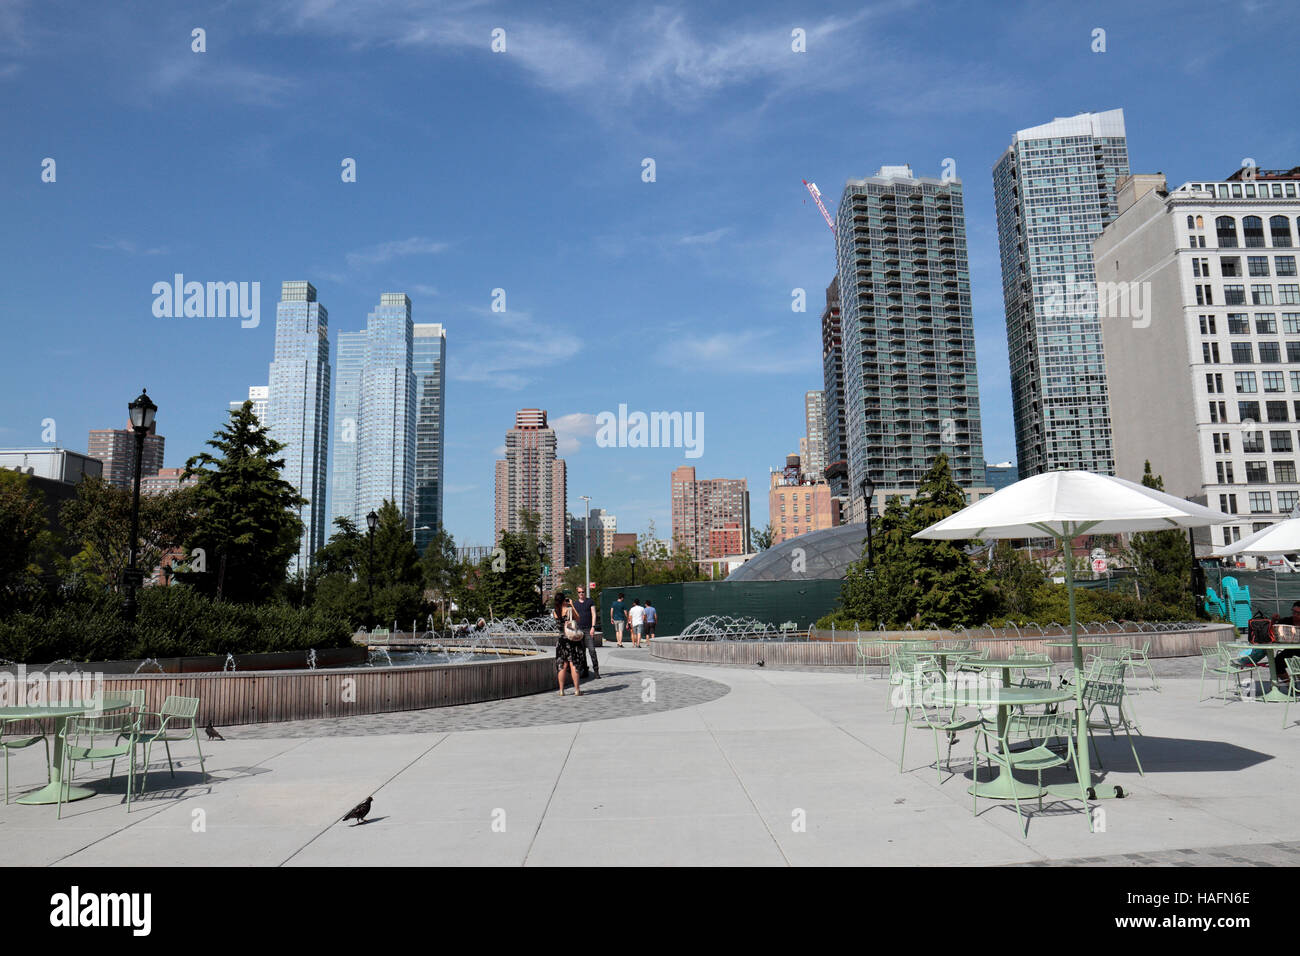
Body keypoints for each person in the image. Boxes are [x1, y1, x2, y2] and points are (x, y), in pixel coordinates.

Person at [553, 593, 584, 696]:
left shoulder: (555, 612)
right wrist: (571, 605)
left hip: (561, 641)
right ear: (563, 601)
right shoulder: (568, 610)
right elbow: (578, 618)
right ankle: (577, 690)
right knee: (573, 664)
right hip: (571, 640)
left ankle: (561, 690)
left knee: (562, 665)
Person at [573, 586, 599, 679]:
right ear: (577, 593)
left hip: (588, 629)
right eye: (579, 592)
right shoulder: (575, 604)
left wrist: (593, 627)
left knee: (592, 650)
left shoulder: (590, 602)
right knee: (581, 652)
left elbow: (594, 614)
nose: (581, 594)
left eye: (583, 592)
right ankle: (585, 670)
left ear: (585, 592)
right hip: (579, 630)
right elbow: (574, 617)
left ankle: (596, 670)